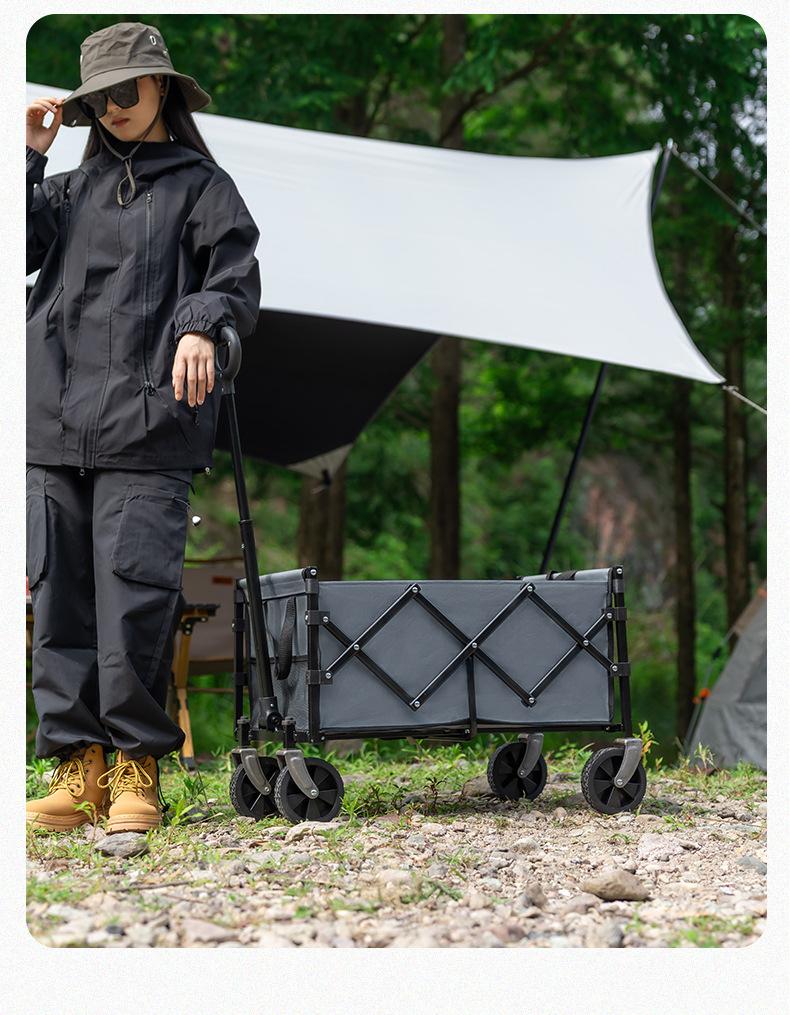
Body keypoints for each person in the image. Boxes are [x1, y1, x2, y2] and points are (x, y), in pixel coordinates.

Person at [25, 22, 261, 833]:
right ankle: (78, 769)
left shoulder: (202, 185)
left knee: (134, 599)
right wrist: (28, 158)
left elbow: (234, 276)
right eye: (99, 98)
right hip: (53, 424)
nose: (115, 107)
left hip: (150, 424)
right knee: (60, 601)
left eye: (128, 89)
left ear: (163, 86)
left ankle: (136, 771)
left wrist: (199, 324)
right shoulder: (66, 192)